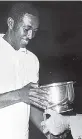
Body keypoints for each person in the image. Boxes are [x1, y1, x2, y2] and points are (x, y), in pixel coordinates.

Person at [0, 2, 46, 139]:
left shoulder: (32, 60)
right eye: (26, 29)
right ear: (10, 23)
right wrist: (19, 94)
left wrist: (49, 131)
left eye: (35, 31)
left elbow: (31, 104)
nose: (31, 36)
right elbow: (23, 95)